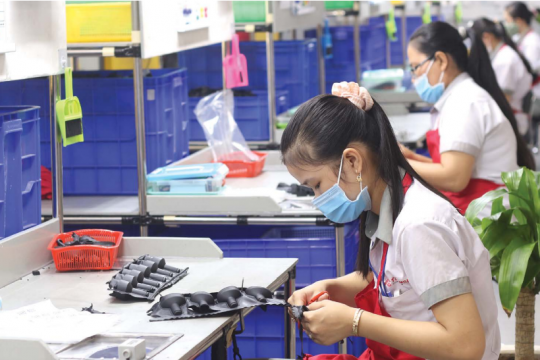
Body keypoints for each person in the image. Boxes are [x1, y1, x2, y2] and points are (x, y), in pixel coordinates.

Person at [283, 82, 500, 360]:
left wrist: (354, 322)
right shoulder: (387, 204)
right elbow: (396, 282)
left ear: (352, 162)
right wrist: (331, 289)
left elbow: (465, 346)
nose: (317, 198)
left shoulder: (418, 226)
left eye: (315, 185)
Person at [400, 21, 535, 216]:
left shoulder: (465, 102)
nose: (414, 78)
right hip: (478, 213)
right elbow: (455, 167)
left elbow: (454, 177)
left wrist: (394, 163)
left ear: (441, 60)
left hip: (489, 223)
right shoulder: (458, 97)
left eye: (416, 67)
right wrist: (412, 158)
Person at [471, 18, 533, 135]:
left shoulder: (505, 60)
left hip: (513, 121)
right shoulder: (502, 54)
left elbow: (504, 99)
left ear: (487, 37)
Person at [505, 2, 540, 148]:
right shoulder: (519, 38)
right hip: (525, 95)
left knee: (530, 137)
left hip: (533, 95)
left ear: (518, 20)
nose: (506, 25)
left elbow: (530, 72)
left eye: (508, 21)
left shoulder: (533, 42)